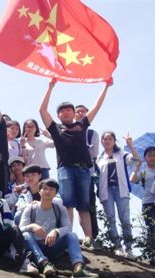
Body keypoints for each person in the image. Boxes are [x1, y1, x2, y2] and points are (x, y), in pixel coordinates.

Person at [39, 78, 111, 249]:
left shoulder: (82, 125)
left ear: (74, 112)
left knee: (84, 206)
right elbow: (42, 110)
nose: (65, 112)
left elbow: (96, 106)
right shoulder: (55, 128)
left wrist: (106, 87)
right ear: (58, 115)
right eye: (61, 111)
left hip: (84, 169)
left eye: (68, 110)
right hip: (65, 169)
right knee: (67, 204)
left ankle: (88, 237)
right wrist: (50, 88)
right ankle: (68, 235)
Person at [19, 179, 99, 278]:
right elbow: (20, 229)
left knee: (72, 235)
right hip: (37, 246)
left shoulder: (60, 209)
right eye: (45, 189)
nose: (48, 191)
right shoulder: (31, 208)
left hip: (54, 245)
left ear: (56, 193)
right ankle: (45, 264)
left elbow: (67, 227)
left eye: (51, 189)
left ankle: (78, 268)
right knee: (26, 235)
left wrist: (56, 231)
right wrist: (32, 226)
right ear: (39, 191)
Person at [96, 131, 139, 258]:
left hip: (121, 189)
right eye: (105, 139)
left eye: (110, 138)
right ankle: (117, 246)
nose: (107, 141)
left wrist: (130, 145)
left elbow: (136, 160)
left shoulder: (122, 154)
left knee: (125, 219)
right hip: (106, 190)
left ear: (114, 141)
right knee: (110, 218)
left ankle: (129, 248)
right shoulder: (99, 158)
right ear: (102, 142)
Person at [75, 104, 101, 241]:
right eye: (77, 112)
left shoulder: (92, 133)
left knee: (89, 204)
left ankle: (93, 236)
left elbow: (93, 153)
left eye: (82, 112)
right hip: (71, 172)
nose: (80, 114)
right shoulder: (69, 130)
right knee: (72, 204)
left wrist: (78, 150)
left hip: (87, 172)